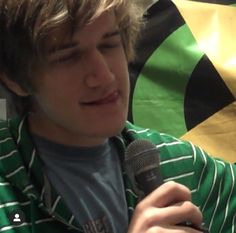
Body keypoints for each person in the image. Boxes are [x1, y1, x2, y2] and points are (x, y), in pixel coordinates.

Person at [0, 0, 235, 232]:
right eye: (68, 57)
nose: (104, 76)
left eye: (109, 45)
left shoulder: (180, 163)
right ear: (15, 79)